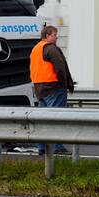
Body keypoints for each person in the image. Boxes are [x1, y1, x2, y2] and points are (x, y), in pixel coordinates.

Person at [29, 24, 74, 155]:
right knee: (56, 118)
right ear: (47, 36)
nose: (57, 37)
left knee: (43, 120)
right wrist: (64, 83)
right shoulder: (51, 48)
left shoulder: (35, 49)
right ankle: (57, 147)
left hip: (40, 89)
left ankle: (42, 147)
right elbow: (60, 68)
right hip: (54, 87)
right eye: (54, 34)